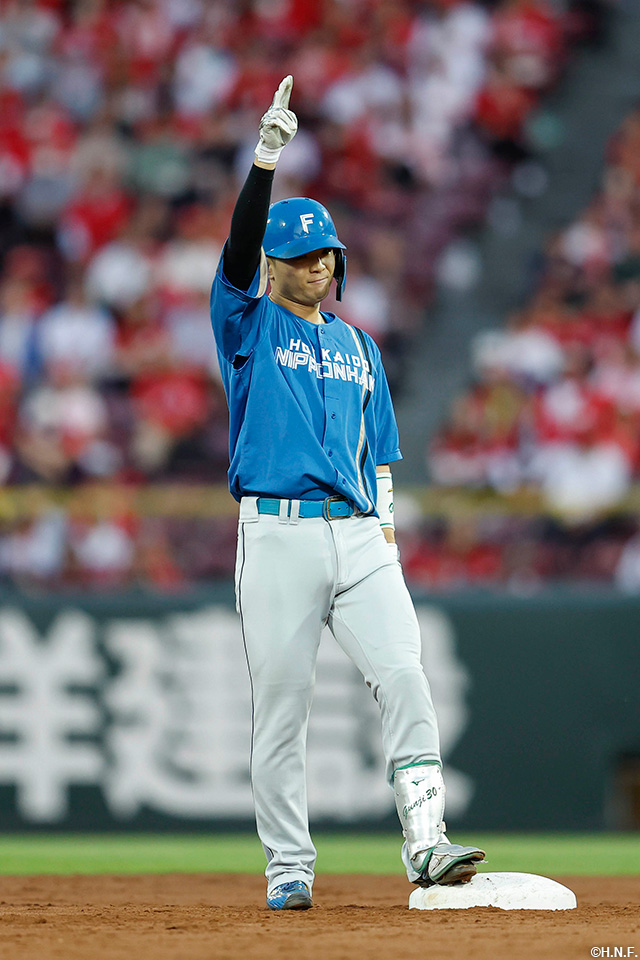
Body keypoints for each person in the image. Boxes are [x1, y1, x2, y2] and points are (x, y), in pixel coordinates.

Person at [210, 76, 485, 911]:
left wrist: (387, 537)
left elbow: (383, 460)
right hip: (278, 533)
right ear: (273, 266)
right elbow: (235, 253)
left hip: (362, 535)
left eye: (326, 253)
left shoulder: (362, 347)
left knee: (405, 674)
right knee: (282, 707)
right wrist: (265, 163)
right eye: (301, 256)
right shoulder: (248, 324)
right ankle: (288, 866)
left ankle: (427, 843)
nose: (319, 264)